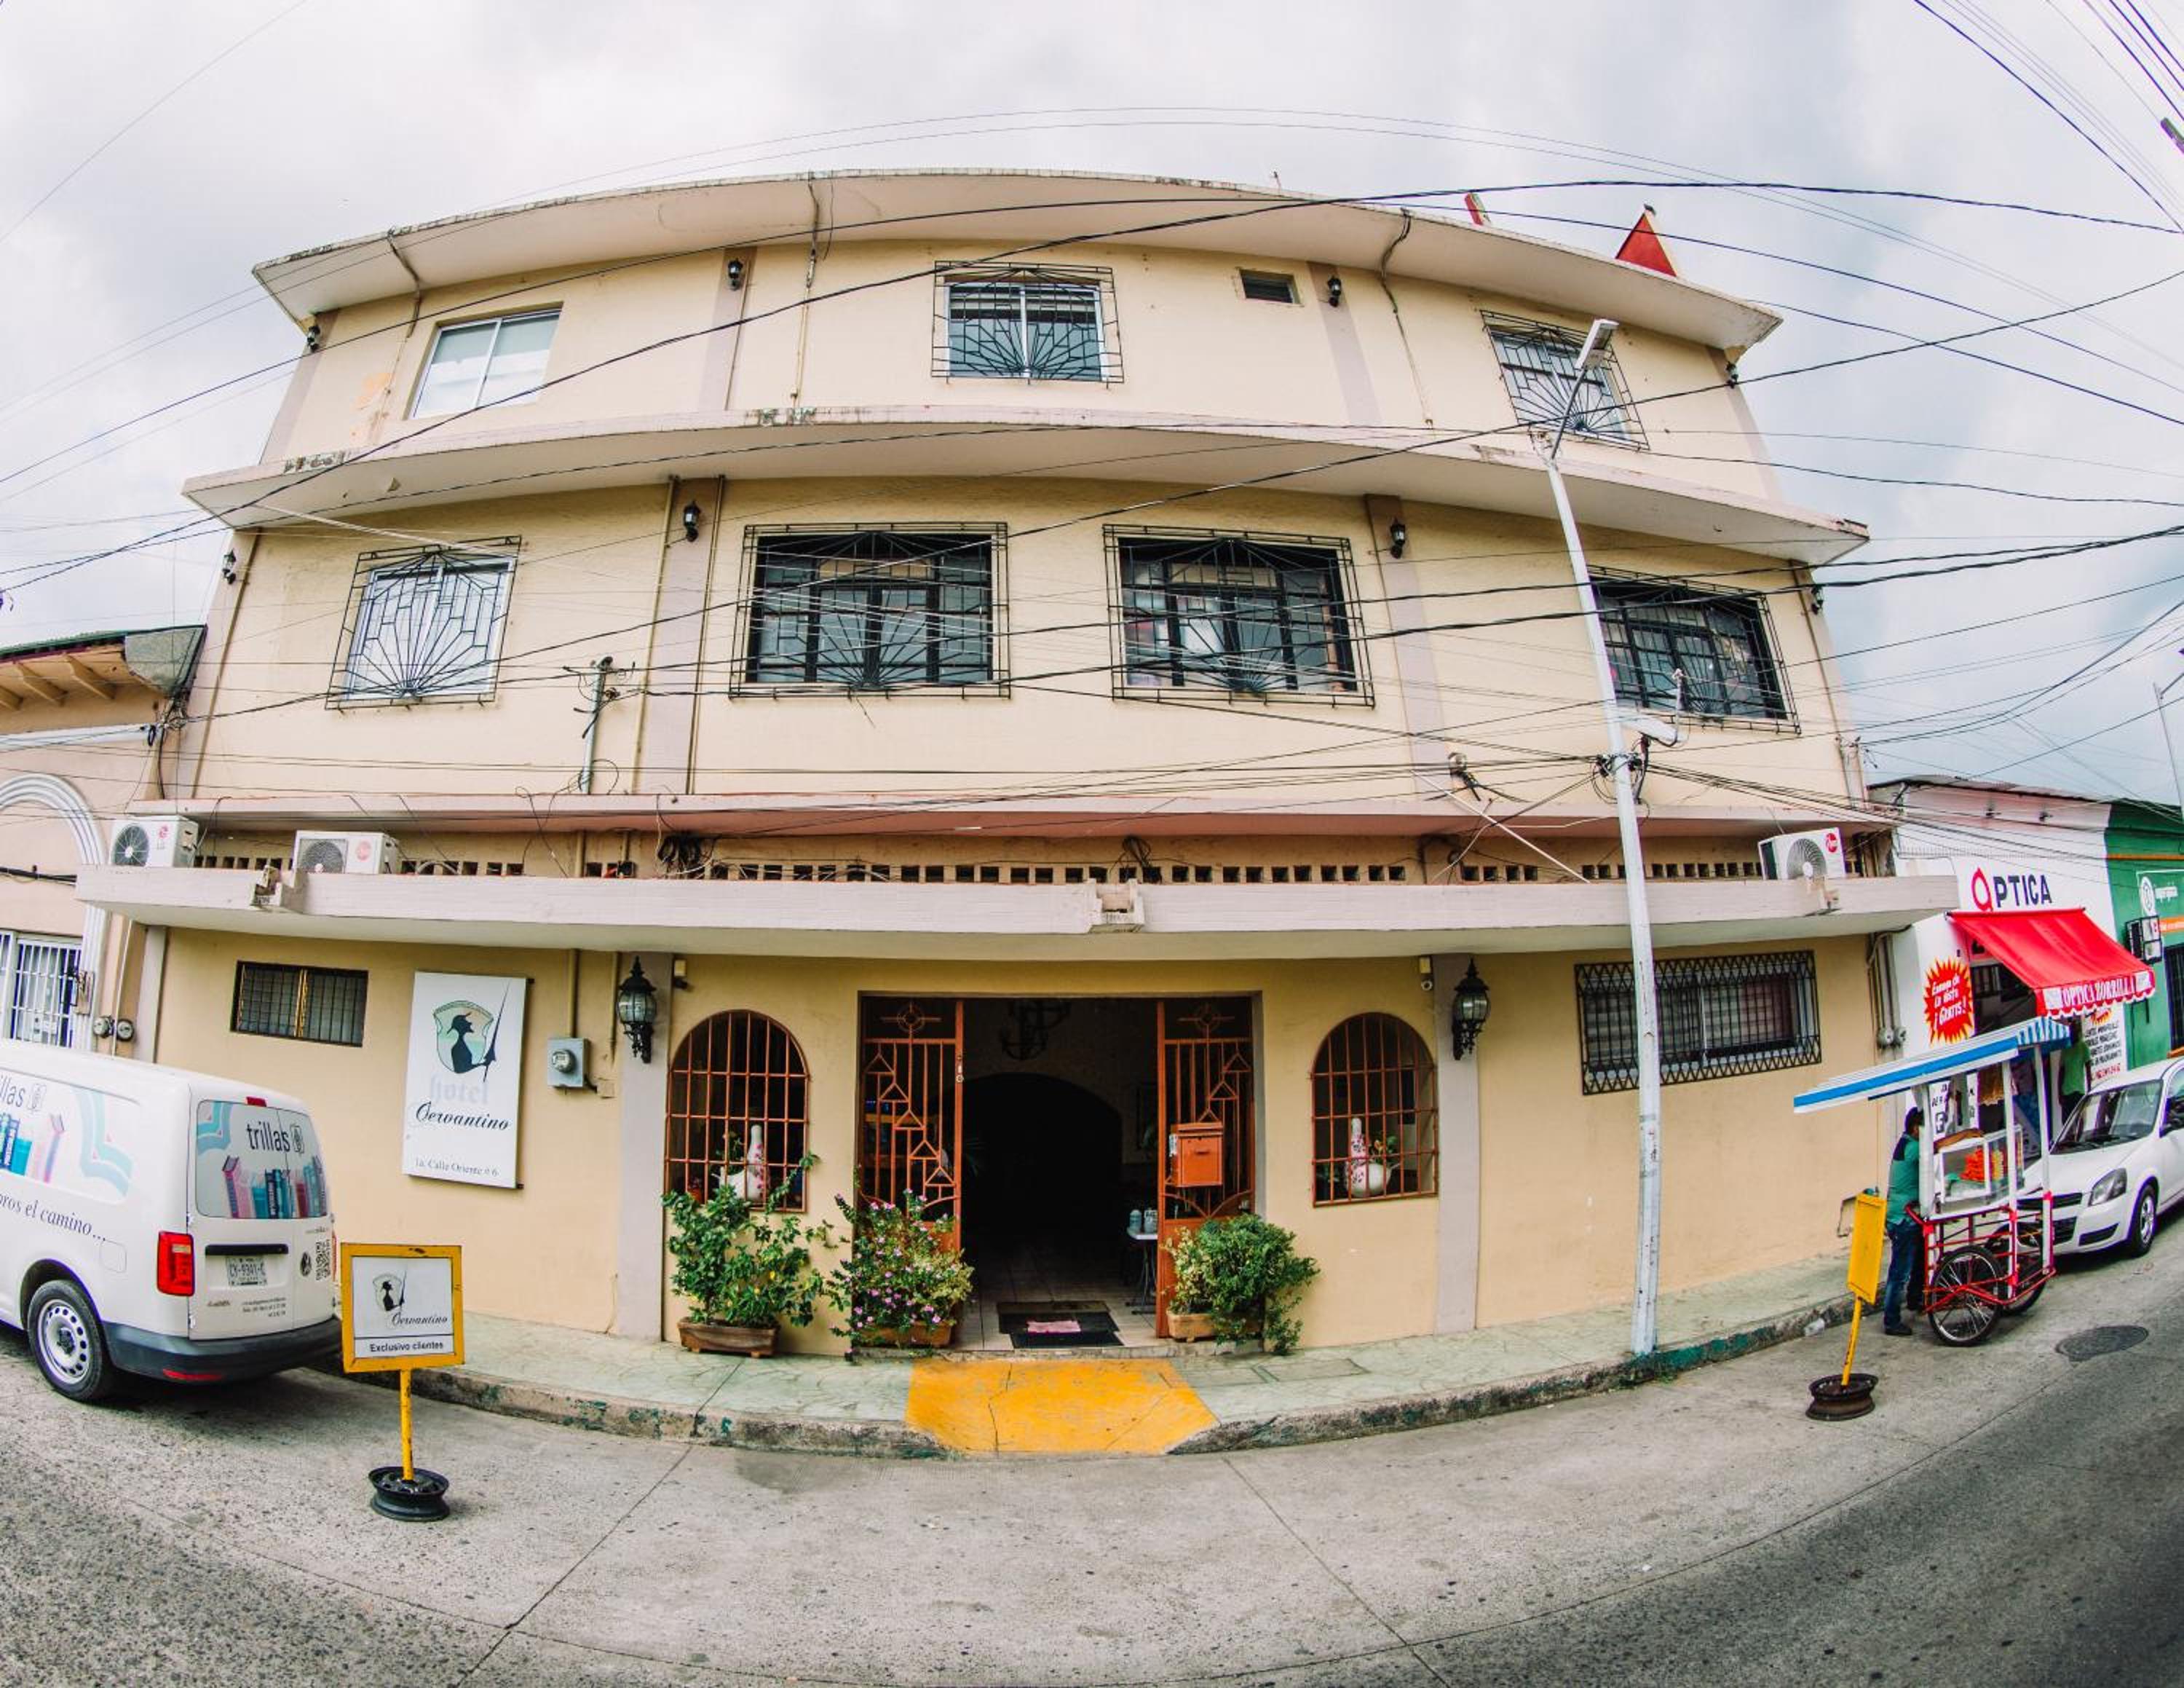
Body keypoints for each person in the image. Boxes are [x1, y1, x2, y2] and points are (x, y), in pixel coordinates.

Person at [1882, 1105, 1924, 1336]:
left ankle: (1915, 1298)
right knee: (1900, 1272)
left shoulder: (1905, 1143)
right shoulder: (1914, 1147)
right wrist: (1965, 1135)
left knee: (1919, 1258)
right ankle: (1891, 1320)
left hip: (1904, 1214)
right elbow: (1937, 1148)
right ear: (1916, 1128)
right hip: (1903, 1218)